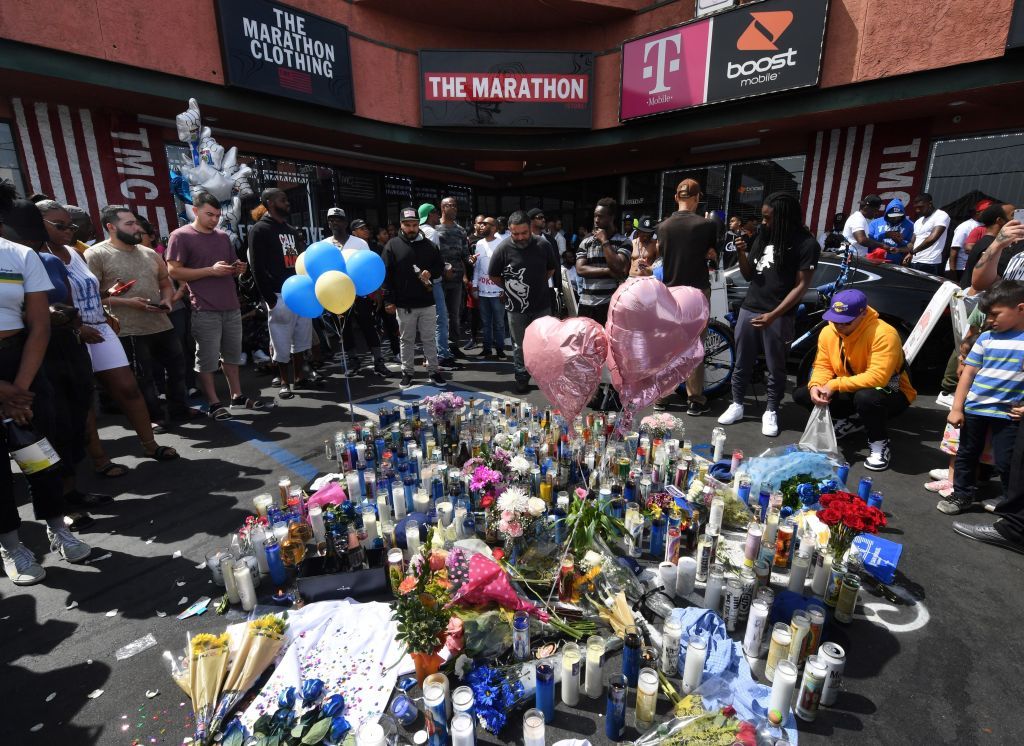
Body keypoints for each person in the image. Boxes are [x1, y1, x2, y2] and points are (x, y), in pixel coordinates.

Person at [0, 184, 92, 583]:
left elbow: (39, 324)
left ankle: (58, 529)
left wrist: (19, 387)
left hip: (24, 363)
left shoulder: (20, 256)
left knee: (40, 455)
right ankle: (12, 546)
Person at [720, 192, 819, 436]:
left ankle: (771, 410)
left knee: (776, 367)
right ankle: (737, 404)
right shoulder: (764, 235)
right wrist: (742, 252)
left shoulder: (807, 244)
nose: (763, 223)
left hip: (779, 315)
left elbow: (801, 286)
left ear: (784, 217)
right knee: (742, 361)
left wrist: (774, 315)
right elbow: (748, 275)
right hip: (750, 307)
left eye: (768, 218)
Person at [87, 206, 195, 428]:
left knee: (177, 368)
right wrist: (127, 303)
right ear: (111, 227)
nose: (136, 227)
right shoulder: (95, 254)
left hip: (161, 323)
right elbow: (90, 297)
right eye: (129, 224)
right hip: (128, 329)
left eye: (135, 222)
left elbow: (165, 283)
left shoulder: (150, 253)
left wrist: (167, 300)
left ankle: (179, 409)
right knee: (142, 377)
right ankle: (153, 418)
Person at [794, 289, 915, 470]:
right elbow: (822, 366)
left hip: (892, 389)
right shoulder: (828, 332)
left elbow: (878, 378)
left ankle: (879, 443)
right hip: (850, 385)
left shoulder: (884, 334)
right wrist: (816, 385)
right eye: (835, 320)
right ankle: (849, 419)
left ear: (863, 314)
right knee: (802, 394)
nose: (838, 326)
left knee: (867, 398)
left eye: (845, 322)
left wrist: (834, 384)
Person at [166, 191, 261, 418]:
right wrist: (211, 270)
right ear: (195, 211)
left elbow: (229, 264)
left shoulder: (221, 237)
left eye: (218, 215)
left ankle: (237, 396)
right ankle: (214, 402)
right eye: (209, 214)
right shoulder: (180, 235)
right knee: (207, 358)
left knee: (232, 355)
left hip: (230, 306)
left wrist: (239, 268)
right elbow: (174, 270)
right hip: (204, 308)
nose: (215, 219)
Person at [939, 281, 1024, 514]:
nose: (989, 320)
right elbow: (968, 375)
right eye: (988, 315)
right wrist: (957, 408)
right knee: (966, 454)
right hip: (975, 410)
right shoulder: (986, 339)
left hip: (1008, 415)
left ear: (1021, 308)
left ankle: (1010, 503)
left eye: (996, 314)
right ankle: (962, 494)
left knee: (1008, 462)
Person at [658, 180, 718, 415]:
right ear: (697, 198)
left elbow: (663, 256)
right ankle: (694, 399)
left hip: (670, 292)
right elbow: (712, 255)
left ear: (676, 197)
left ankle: (663, 397)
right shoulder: (707, 225)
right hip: (697, 292)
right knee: (695, 345)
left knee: (668, 347)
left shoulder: (663, 227)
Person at [247, 188, 314, 400]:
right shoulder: (259, 230)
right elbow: (257, 267)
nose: (287, 203)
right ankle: (285, 381)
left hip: (300, 292)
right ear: (269, 202)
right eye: (282, 200)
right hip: (278, 294)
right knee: (281, 340)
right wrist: (270, 298)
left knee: (301, 337)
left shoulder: (291, 229)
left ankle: (300, 376)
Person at [489, 210, 557, 394]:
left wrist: (538, 284)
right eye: (515, 233)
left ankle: (544, 378)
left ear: (530, 228)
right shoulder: (503, 248)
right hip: (515, 308)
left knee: (543, 344)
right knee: (519, 345)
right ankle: (521, 377)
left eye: (523, 233)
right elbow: (493, 274)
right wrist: (509, 288)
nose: (520, 237)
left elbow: (551, 269)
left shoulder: (543, 245)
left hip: (542, 305)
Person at [382, 207, 446, 390]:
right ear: (401, 225)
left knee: (429, 339)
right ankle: (407, 372)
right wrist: (388, 300)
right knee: (406, 340)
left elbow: (439, 267)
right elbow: (386, 275)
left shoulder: (430, 246)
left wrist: (431, 273)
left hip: (427, 302)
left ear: (419, 225)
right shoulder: (392, 245)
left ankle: (434, 371)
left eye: (415, 224)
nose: (411, 228)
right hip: (403, 304)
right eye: (407, 225)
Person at [325, 207, 390, 378]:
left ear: (345, 222)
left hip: (360, 292)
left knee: (367, 326)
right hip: (337, 295)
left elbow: (369, 267)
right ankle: (353, 361)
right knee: (344, 329)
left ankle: (378, 361)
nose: (333, 222)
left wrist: (376, 291)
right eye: (330, 219)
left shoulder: (360, 243)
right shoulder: (324, 245)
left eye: (337, 219)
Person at [432, 197, 474, 361]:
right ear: (443, 207)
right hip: (439, 279)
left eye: (455, 206)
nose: (454, 208)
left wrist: (471, 260)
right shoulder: (434, 228)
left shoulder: (461, 230)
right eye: (451, 205)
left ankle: (453, 345)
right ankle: (439, 348)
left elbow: (465, 254)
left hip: (456, 279)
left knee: (455, 314)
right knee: (440, 316)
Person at [471, 216, 506, 360]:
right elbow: (477, 267)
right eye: (481, 224)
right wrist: (474, 286)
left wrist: (505, 289)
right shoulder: (478, 243)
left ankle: (500, 350)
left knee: (498, 322)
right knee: (486, 323)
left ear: (494, 228)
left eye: (485, 224)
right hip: (483, 290)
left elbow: (506, 268)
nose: (481, 226)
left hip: (498, 291)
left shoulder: (502, 243)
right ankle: (486, 349)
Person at [968, 206, 1024, 290]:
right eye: (1013, 215)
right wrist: (997, 244)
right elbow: (980, 284)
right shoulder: (1016, 254)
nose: (1016, 219)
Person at [903, 193, 951, 274]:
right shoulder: (918, 221)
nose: (917, 210)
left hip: (930, 262)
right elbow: (912, 242)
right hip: (914, 261)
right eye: (916, 208)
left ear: (930, 204)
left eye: (920, 207)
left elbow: (933, 238)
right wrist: (907, 252)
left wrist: (913, 252)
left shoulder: (941, 215)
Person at [949, 200, 994, 281]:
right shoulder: (965, 226)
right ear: (978, 212)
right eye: (987, 211)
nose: (990, 214)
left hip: (973, 269)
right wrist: (953, 274)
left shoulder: (986, 226)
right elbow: (953, 251)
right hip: (960, 269)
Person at [866, 199, 914, 264]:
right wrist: (885, 235)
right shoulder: (875, 223)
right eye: (892, 216)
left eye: (898, 216)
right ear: (886, 213)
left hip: (896, 264)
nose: (895, 218)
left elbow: (912, 246)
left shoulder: (910, 225)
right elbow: (867, 241)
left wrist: (901, 241)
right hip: (875, 261)